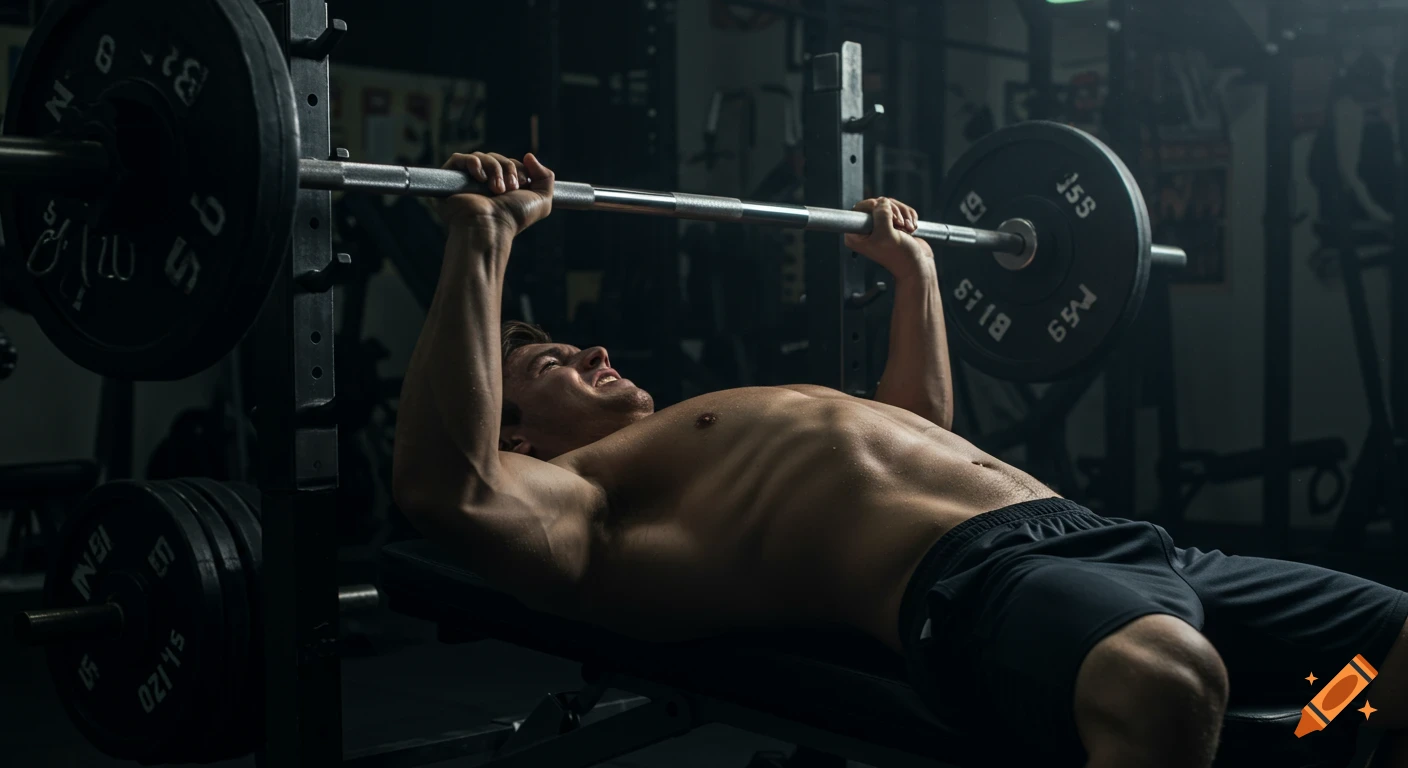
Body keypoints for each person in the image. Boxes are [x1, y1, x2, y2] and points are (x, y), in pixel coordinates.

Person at [393, 152, 1408, 768]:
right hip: (985, 586)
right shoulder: (588, 504)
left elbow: (919, 424)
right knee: (1168, 680)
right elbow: (449, 489)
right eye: (557, 364)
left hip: (1124, 548)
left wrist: (913, 272)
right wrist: (481, 243)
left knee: (1387, 652)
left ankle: (1316, 736)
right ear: (511, 430)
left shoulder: (710, 426)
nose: (596, 353)